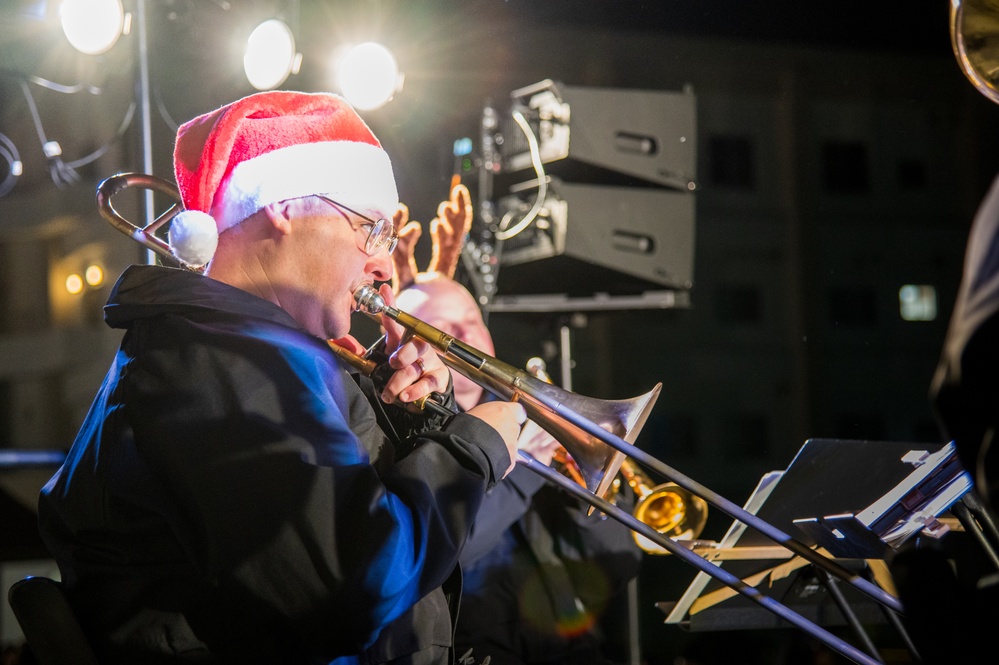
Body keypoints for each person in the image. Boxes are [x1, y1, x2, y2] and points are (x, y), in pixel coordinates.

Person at [36, 90, 528, 665]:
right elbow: (351, 587)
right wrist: (474, 449)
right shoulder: (215, 363)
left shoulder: (249, 354)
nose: (385, 267)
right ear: (285, 206)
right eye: (371, 230)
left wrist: (415, 427)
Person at [392, 185, 644, 665]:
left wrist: (584, 491)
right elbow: (451, 554)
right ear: (413, 340)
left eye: (472, 320)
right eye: (447, 327)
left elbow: (621, 564)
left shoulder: (527, 413)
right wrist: (527, 461)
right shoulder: (407, 434)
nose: (468, 335)